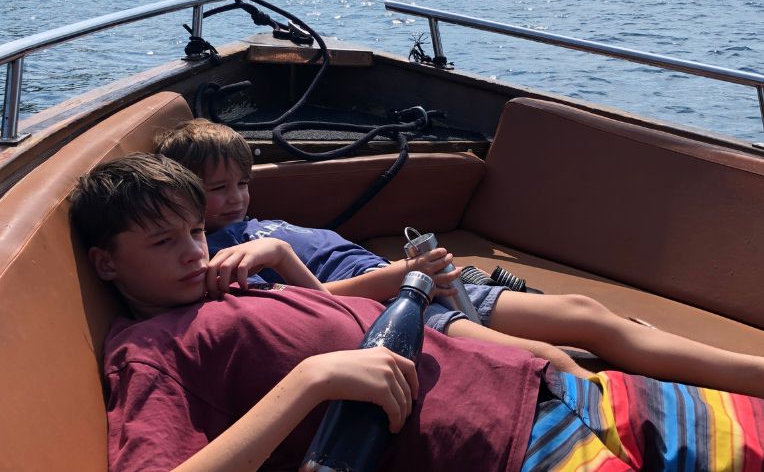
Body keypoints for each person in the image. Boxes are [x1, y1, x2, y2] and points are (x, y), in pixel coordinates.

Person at [71, 153, 764, 472]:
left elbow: (323, 318)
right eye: (165, 243)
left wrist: (281, 263)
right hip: (504, 451)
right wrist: (311, 383)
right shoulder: (149, 349)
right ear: (107, 263)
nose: (195, 253)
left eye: (195, 233)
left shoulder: (227, 286)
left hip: (544, 389)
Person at [157, 118, 764, 398]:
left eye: (241, 183)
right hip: (397, 304)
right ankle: (635, 424)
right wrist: (389, 276)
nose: (234, 198)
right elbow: (304, 315)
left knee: (588, 310)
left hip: (417, 280)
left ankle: (750, 372)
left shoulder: (251, 225)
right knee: (551, 359)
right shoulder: (221, 255)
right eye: (215, 190)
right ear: (182, 196)